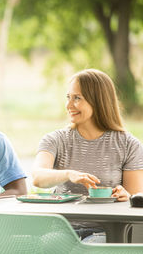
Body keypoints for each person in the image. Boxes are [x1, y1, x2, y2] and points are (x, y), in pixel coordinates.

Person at [32, 68, 143, 242]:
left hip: (108, 232)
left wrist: (126, 196)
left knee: (90, 247)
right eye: (68, 97)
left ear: (98, 101)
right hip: (64, 230)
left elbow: (136, 201)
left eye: (77, 98)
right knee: (49, 244)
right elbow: (38, 177)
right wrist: (69, 174)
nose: (69, 105)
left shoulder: (129, 144)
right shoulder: (55, 140)